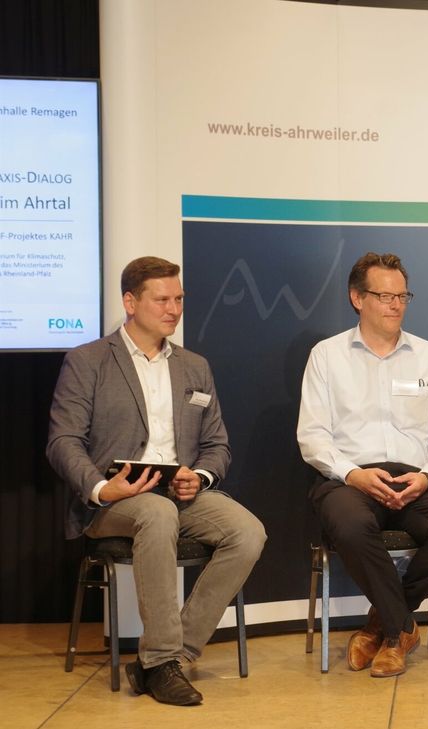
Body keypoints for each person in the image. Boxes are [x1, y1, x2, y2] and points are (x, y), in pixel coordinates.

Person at [46, 256, 267, 706]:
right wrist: (101, 488)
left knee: (248, 532)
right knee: (158, 512)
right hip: (113, 500)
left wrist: (199, 477)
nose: (173, 309)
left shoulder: (194, 366)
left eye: (179, 299)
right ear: (130, 302)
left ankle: (168, 658)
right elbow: (63, 441)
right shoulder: (88, 361)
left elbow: (217, 445)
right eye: (162, 299)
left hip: (178, 494)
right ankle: (163, 660)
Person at [297, 252, 428, 678]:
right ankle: (400, 632)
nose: (396, 305)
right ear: (357, 298)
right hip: (349, 478)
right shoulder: (327, 356)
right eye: (384, 296)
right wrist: (353, 474)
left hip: (415, 478)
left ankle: (382, 622)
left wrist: (427, 476)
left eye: (402, 296)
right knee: (350, 525)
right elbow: (313, 436)